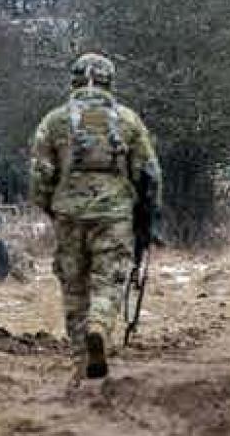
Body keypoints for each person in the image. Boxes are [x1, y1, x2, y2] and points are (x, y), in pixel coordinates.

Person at [30, 53, 161, 380]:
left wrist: (51, 207)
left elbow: (39, 174)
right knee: (109, 279)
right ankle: (99, 327)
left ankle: (80, 359)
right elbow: (149, 173)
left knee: (73, 287)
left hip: (68, 215)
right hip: (114, 215)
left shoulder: (54, 121)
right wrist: (147, 215)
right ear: (109, 81)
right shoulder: (128, 120)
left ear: (73, 80)